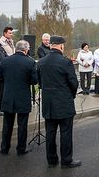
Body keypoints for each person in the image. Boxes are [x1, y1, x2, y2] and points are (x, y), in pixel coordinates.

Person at [38, 35, 81, 169]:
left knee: (50, 132)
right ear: (61, 46)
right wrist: (71, 95)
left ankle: (51, 160)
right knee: (65, 132)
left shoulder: (41, 62)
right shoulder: (65, 62)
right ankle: (66, 160)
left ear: (51, 45)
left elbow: (39, 82)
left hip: (48, 102)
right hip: (63, 102)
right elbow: (73, 83)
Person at [0, 40, 37, 155]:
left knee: (7, 124)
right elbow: (34, 81)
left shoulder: (5, 61)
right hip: (23, 97)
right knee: (22, 125)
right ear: (26, 49)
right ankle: (21, 148)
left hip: (8, 96)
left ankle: (4, 148)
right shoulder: (30, 62)